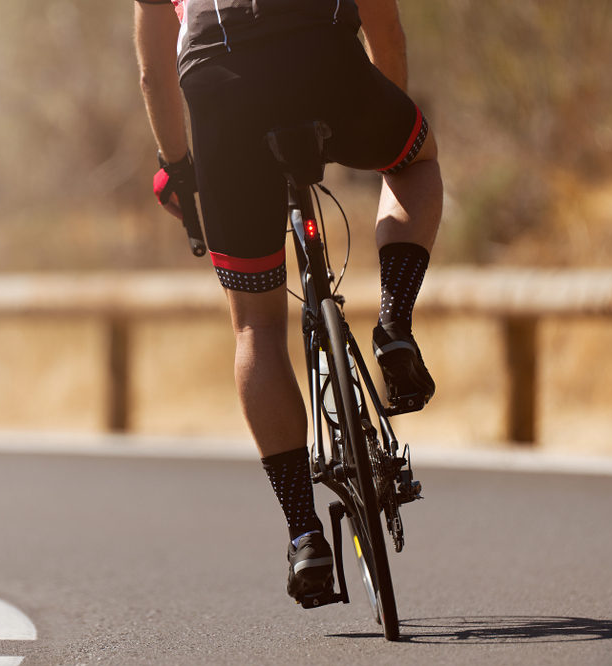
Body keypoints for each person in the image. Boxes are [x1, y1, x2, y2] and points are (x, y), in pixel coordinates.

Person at [134, 0, 441, 604]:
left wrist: (177, 168)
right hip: (323, 61)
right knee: (415, 162)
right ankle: (394, 322)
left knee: (255, 328)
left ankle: (304, 533)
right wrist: (380, 132)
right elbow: (384, 24)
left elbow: (152, 73)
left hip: (219, 92)